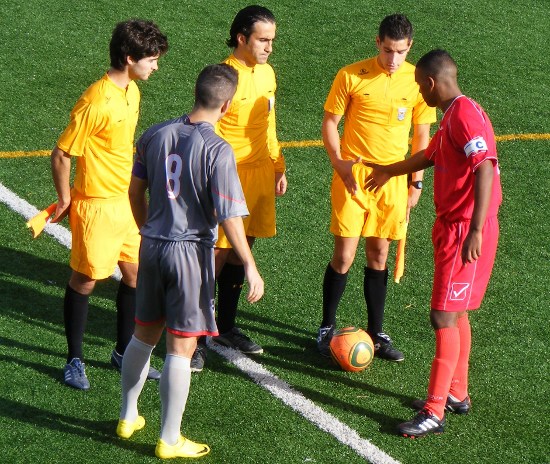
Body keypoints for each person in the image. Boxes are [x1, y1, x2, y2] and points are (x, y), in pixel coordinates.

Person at [117, 63, 264, 459]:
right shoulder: (218, 149)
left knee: (143, 335)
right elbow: (229, 216)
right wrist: (249, 264)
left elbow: (134, 192)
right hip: (189, 254)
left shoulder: (155, 134)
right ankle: (169, 439)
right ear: (227, 105)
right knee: (181, 348)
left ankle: (128, 416)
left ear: (196, 93)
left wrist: (149, 229)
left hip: (151, 246)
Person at [365, 49, 502, 437]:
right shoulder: (456, 113)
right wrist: (390, 170)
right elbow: (431, 154)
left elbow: (485, 167)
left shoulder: (464, 115)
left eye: (418, 86)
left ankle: (435, 410)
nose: (418, 94)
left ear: (430, 83)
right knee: (456, 312)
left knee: (442, 316)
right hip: (456, 227)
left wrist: (475, 229)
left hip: (464, 229)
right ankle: (457, 393)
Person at [50, 19, 168, 390]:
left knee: (136, 276)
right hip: (97, 206)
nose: (156, 66)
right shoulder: (96, 101)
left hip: (126, 202)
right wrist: (65, 199)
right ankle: (74, 359)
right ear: (130, 58)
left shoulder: (132, 91)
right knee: (86, 280)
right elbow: (62, 154)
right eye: (151, 59)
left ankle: (122, 352)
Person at [317, 14, 436, 362]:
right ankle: (326, 327)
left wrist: (416, 181)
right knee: (344, 256)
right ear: (377, 43)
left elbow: (422, 136)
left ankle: (377, 332)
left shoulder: (416, 82)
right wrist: (339, 163)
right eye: (387, 50)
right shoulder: (351, 75)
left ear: (410, 47)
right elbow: (330, 122)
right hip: (354, 177)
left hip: (394, 179)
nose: (393, 59)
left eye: (400, 52)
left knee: (379, 255)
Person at [191, 5, 287, 372]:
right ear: (242, 38)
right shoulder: (224, 77)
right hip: (228, 175)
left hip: (260, 172)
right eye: (263, 40)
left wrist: (277, 164)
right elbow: (208, 128)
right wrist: (211, 176)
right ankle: (196, 338)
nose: (269, 47)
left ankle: (225, 327)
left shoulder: (267, 73)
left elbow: (269, 122)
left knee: (240, 250)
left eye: (272, 40)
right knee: (214, 258)